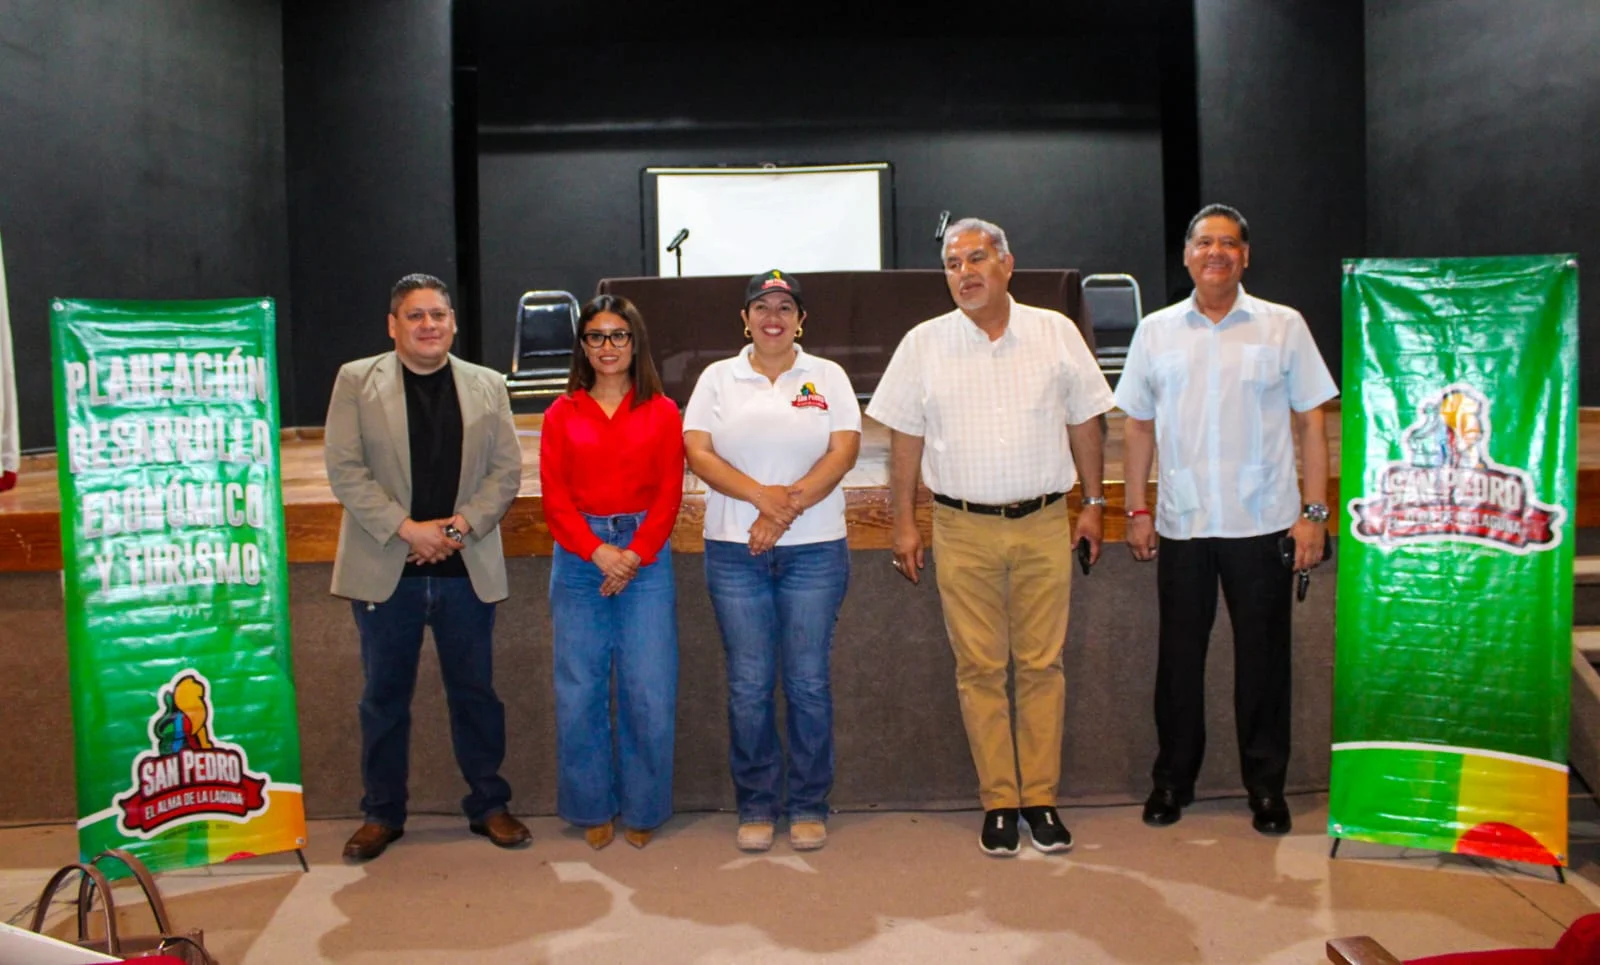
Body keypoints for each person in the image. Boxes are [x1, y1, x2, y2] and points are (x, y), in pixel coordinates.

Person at [868, 220, 1113, 857]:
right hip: (961, 527)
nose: (965, 272)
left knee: (1041, 666)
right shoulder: (923, 343)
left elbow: (1085, 421)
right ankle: (1000, 801)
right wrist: (903, 522)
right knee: (978, 668)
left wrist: (1093, 504)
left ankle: (1042, 798)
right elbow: (904, 439)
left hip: (1044, 521)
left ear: (1007, 263)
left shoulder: (1055, 333)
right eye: (953, 264)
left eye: (977, 258)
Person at [1115, 203, 1337, 835]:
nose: (1217, 252)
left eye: (1230, 243)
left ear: (1246, 256)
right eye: (1205, 242)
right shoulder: (1156, 331)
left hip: (1263, 522)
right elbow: (1137, 426)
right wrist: (1137, 508)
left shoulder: (1283, 326)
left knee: (1264, 665)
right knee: (1178, 664)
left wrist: (1313, 514)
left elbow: (1311, 424)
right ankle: (1172, 781)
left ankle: (1266, 788)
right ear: (1187, 256)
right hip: (1183, 524)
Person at [324, 273, 530, 861]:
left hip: (466, 568)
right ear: (393, 325)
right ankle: (381, 813)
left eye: (438, 314)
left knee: (476, 695)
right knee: (383, 698)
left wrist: (456, 531)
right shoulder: (356, 380)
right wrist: (408, 529)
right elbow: (345, 470)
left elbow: (505, 473)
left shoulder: (488, 384)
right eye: (415, 316)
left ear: (453, 323)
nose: (428, 325)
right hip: (386, 568)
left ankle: (488, 804)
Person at [684, 270, 861, 853]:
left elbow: (843, 451)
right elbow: (697, 452)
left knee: (808, 682)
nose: (773, 317)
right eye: (762, 307)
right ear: (745, 319)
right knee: (749, 684)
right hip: (734, 553)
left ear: (800, 319)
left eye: (785, 307)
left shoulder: (827, 376)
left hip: (816, 551)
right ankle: (757, 803)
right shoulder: (717, 378)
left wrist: (782, 514)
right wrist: (764, 499)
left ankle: (809, 803)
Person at [540, 294, 684, 850]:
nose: (607, 346)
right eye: (596, 336)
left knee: (649, 689)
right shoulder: (561, 413)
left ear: (634, 342)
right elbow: (555, 498)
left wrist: (635, 553)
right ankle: (592, 805)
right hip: (580, 557)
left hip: (645, 556)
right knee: (580, 690)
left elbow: (669, 493)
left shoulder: (662, 411)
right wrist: (598, 551)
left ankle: (644, 807)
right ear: (582, 346)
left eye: (618, 335)